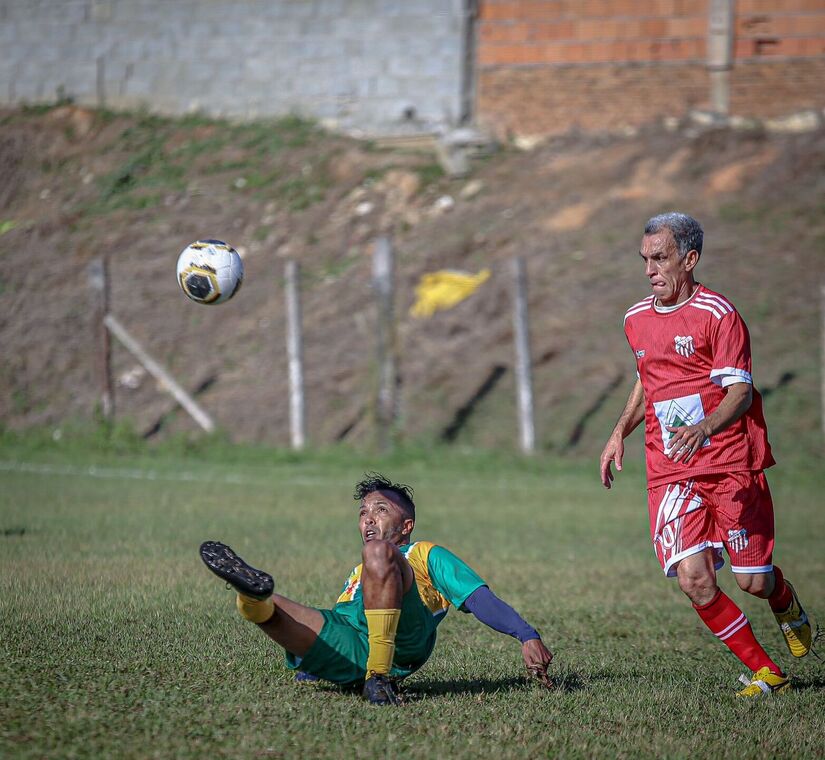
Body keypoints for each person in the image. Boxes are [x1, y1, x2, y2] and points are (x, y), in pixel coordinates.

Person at [599, 212, 813, 698]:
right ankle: (768, 673)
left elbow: (739, 392)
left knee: (752, 581)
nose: (650, 270)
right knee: (694, 580)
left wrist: (705, 427)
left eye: (661, 258)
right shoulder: (635, 319)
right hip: (671, 468)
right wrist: (619, 432)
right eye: (645, 260)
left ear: (690, 259)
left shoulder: (720, 315)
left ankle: (784, 601)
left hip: (730, 463)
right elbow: (647, 379)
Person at [200, 473, 553, 705]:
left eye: (381, 510)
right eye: (363, 512)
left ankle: (379, 678)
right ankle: (251, 595)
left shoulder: (423, 554)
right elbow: (346, 620)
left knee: (378, 555)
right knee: (271, 608)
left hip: (404, 642)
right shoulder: (359, 571)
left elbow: (479, 598)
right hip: (354, 639)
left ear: (406, 525)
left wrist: (526, 634)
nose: (368, 517)